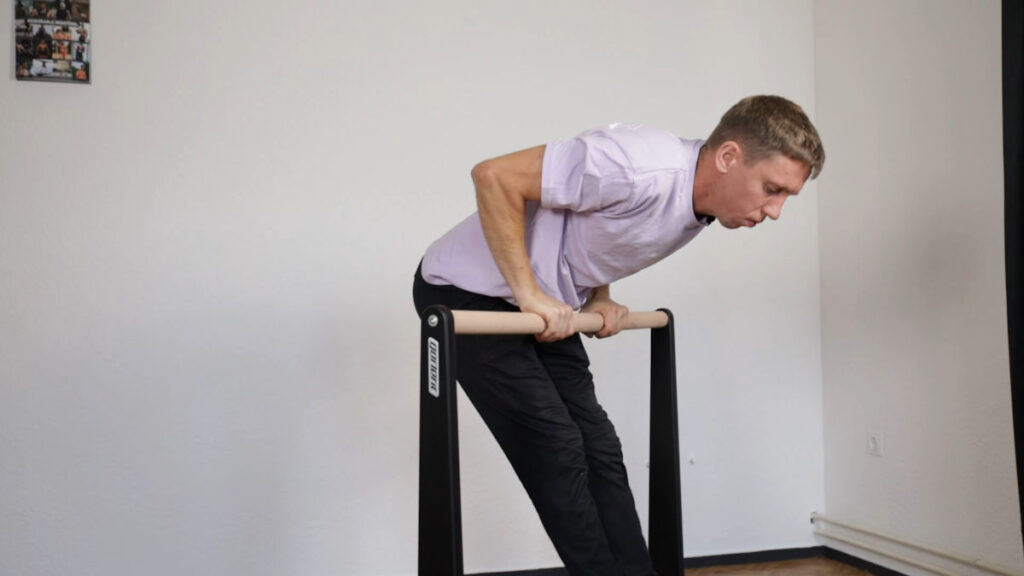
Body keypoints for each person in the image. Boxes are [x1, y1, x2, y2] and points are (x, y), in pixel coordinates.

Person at [412, 95, 824, 576]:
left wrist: (599, 296)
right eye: (772, 189)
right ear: (729, 157)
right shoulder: (636, 163)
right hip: (467, 293)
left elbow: (597, 227)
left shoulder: (701, 204)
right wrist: (528, 294)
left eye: (785, 197)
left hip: (544, 301)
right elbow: (493, 175)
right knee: (558, 446)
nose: (774, 210)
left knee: (600, 447)